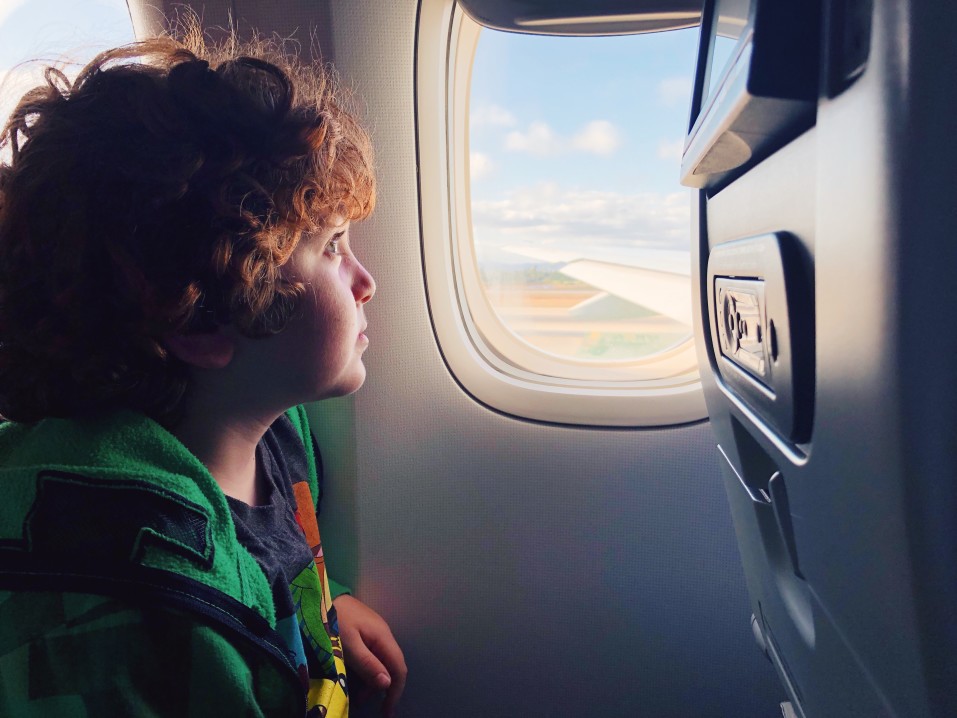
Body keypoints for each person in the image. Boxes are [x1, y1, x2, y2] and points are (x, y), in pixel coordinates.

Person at [0, 23, 405, 718]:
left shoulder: (274, 433)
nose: (364, 280)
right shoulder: (131, 609)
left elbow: (263, 565)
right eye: (331, 247)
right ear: (201, 322)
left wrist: (320, 615)